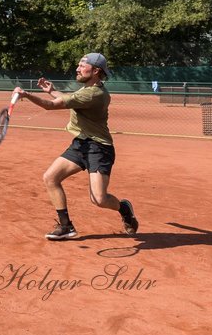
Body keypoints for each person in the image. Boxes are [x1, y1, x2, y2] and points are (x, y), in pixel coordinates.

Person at [14, 52, 138, 241]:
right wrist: (52, 91)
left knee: (99, 199)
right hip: (81, 144)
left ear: (95, 71)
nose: (77, 68)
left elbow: (52, 106)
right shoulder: (87, 89)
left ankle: (124, 209)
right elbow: (70, 99)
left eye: (82, 65)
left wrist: (26, 95)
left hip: (99, 148)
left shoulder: (95, 94)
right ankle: (66, 227)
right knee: (51, 177)